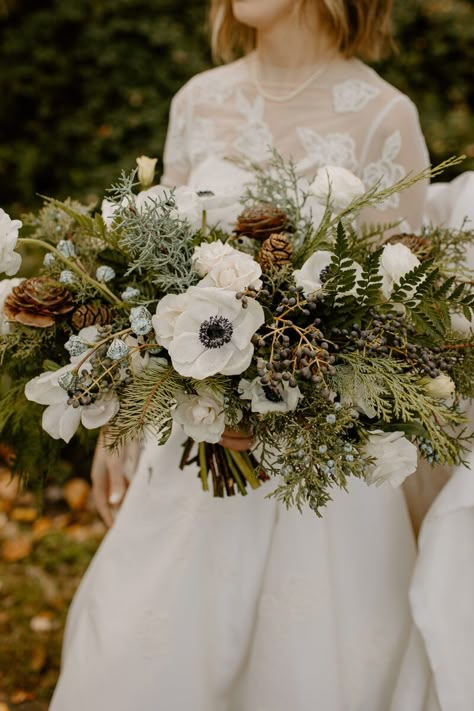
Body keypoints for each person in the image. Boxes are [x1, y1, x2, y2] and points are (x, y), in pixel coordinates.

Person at [50, 1, 444, 709]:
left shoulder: (387, 116)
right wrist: (125, 415)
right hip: (194, 456)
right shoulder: (198, 101)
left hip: (325, 481)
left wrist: (286, 403)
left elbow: (399, 330)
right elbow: (149, 286)